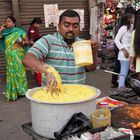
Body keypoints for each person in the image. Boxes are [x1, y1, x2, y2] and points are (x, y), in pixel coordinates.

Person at [22, 9, 98, 95]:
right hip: (53, 96)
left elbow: (91, 68)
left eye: (75, 26)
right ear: (58, 26)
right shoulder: (48, 41)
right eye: (66, 25)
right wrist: (47, 71)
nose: (71, 29)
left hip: (77, 95)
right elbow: (27, 59)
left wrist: (93, 52)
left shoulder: (82, 44)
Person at [0, 16, 29, 101]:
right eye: (6, 22)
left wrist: (21, 42)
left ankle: (22, 91)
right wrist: (1, 29)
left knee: (20, 72)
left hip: (18, 55)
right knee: (11, 73)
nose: (7, 23)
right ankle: (14, 92)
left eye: (9, 21)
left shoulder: (20, 32)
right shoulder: (5, 33)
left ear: (14, 23)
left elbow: (27, 41)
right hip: (9, 56)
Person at [114, 13, 134, 88]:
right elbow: (116, 40)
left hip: (131, 53)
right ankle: (121, 89)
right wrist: (123, 50)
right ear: (128, 19)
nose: (133, 19)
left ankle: (125, 87)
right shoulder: (123, 28)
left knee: (129, 73)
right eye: (132, 17)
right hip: (124, 55)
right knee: (123, 73)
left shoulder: (132, 27)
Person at [28, 17, 43, 86]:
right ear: (36, 23)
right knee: (38, 65)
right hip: (36, 50)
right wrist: (37, 47)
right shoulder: (32, 30)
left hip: (37, 49)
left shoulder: (35, 29)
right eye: (39, 24)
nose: (40, 26)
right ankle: (39, 81)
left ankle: (39, 80)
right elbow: (31, 41)